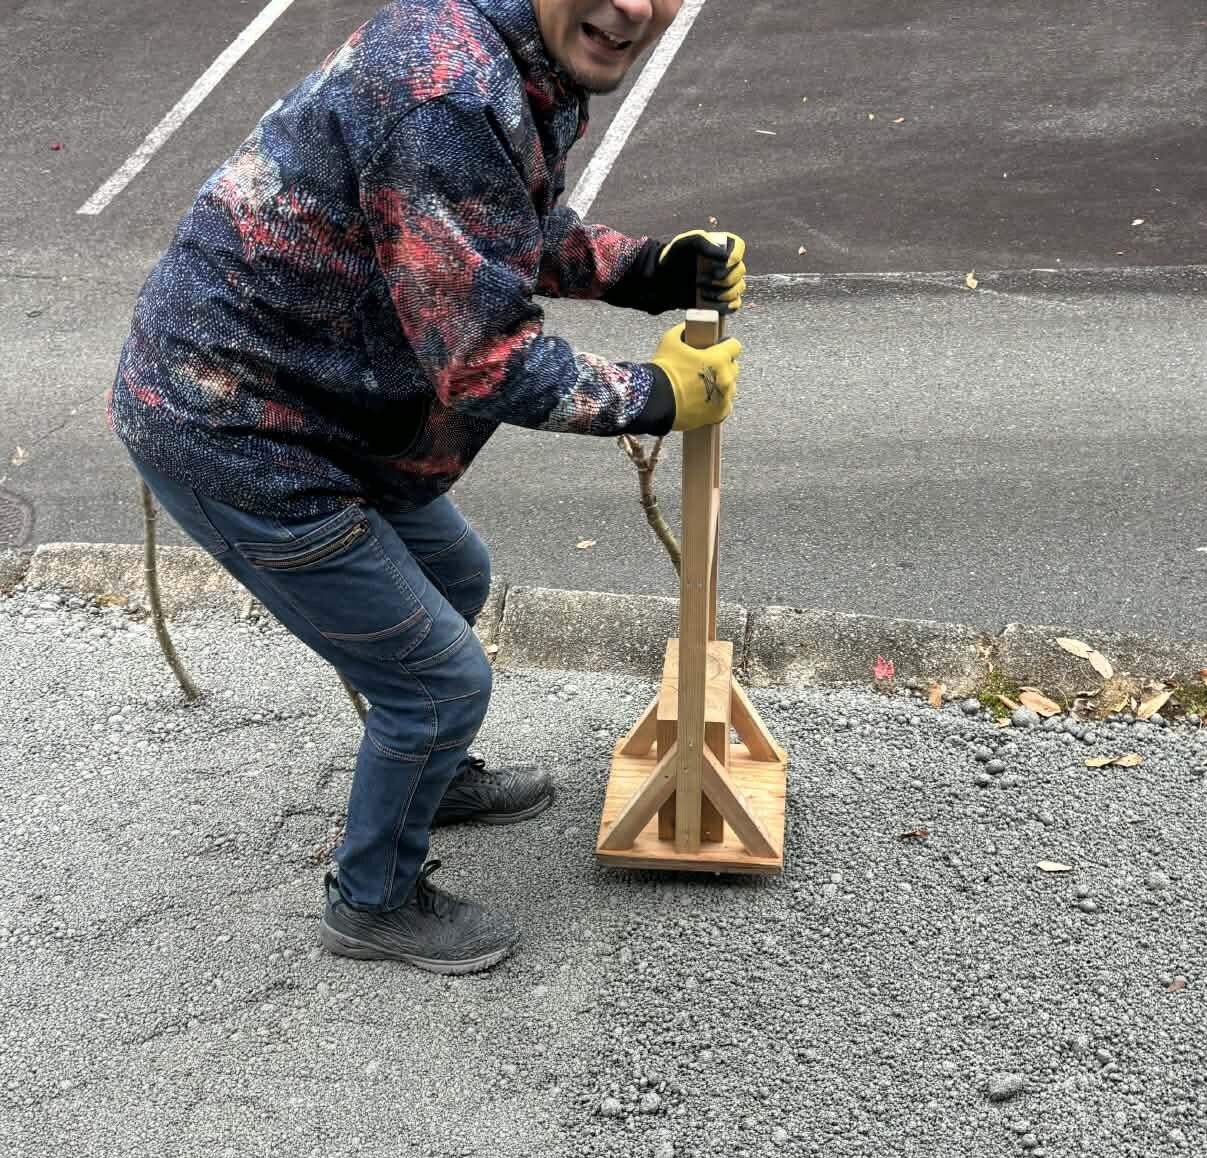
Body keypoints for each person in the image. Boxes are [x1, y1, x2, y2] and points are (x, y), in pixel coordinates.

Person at [108, 0, 745, 976]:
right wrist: (653, 396)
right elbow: (486, 360)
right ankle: (373, 899)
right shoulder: (445, 91)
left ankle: (426, 780)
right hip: (235, 428)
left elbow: (503, 229)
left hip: (320, 400)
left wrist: (644, 270)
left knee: (456, 577)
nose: (631, 6)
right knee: (440, 681)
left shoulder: (521, 64)